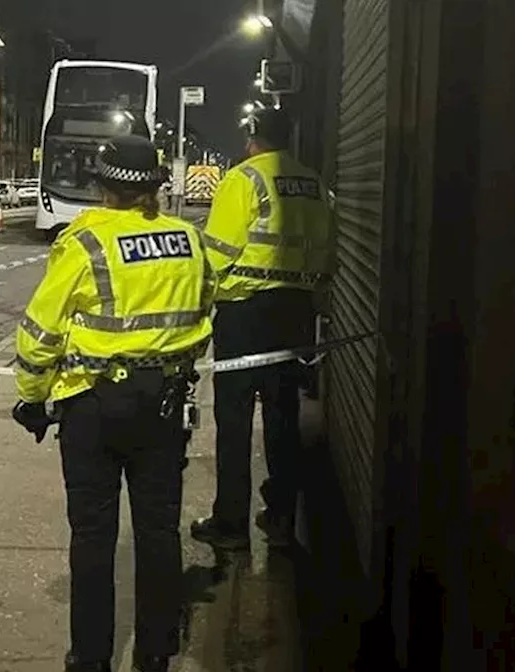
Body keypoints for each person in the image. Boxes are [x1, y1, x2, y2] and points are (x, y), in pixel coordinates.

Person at [12, 134, 215, 672]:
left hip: (94, 407)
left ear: (102, 186)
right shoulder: (188, 240)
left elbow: (40, 333)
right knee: (158, 530)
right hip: (166, 403)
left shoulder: (85, 242)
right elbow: (203, 313)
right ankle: (155, 654)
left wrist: (32, 397)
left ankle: (91, 659)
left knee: (94, 536)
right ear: (156, 185)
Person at [188, 107, 335, 550]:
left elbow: (217, 252)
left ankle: (230, 523)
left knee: (233, 417)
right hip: (294, 311)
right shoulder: (314, 184)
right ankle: (282, 513)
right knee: (282, 414)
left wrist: (200, 303)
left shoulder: (243, 178)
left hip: (244, 312)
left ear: (253, 138)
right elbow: (329, 251)